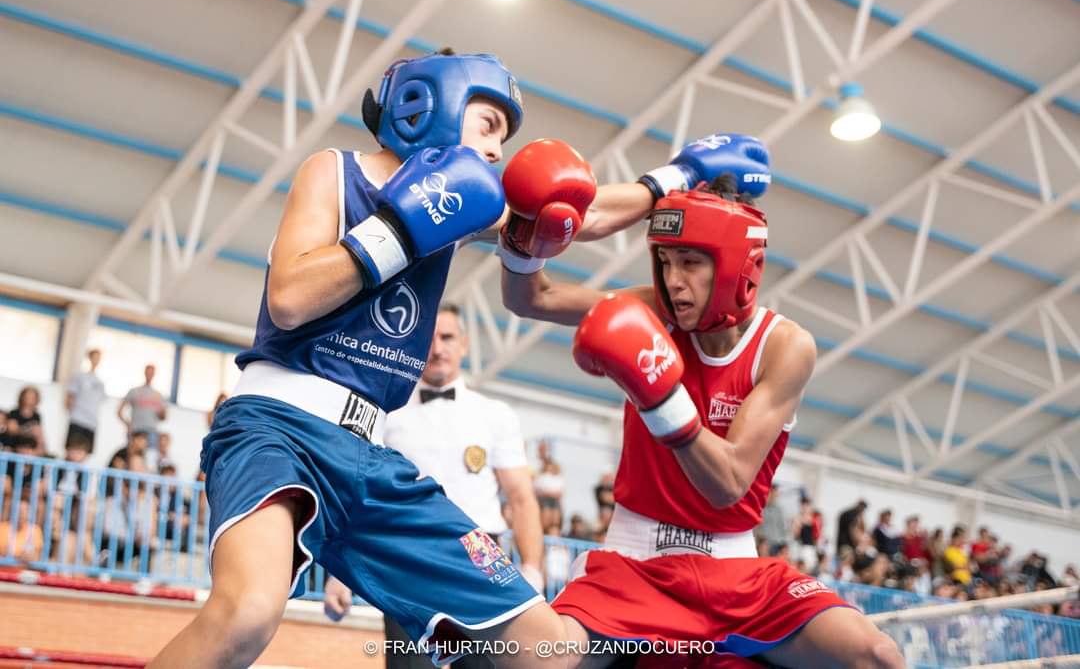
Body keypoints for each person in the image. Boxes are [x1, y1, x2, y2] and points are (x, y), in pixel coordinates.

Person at [147, 49, 742, 668]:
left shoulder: (468, 209)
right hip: (277, 426)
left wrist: (676, 176)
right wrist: (401, 229)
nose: (495, 152)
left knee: (548, 651)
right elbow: (292, 298)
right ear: (426, 104)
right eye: (488, 126)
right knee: (247, 613)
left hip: (372, 458)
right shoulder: (335, 171)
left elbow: (577, 215)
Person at [502, 174, 903, 667]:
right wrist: (522, 235)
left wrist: (658, 396)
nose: (673, 279)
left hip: (734, 575)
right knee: (537, 659)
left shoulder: (784, 346)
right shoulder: (654, 311)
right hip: (635, 564)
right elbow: (531, 298)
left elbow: (728, 482)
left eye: (690, 262)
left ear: (738, 264)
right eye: (666, 261)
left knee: (877, 655)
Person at [323, 303, 546, 666]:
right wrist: (340, 575)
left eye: (447, 337)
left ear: (465, 344)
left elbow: (522, 498)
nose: (438, 348)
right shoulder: (384, 415)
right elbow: (355, 494)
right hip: (407, 555)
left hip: (482, 553)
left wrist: (533, 569)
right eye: (429, 338)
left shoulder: (495, 415)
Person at [118, 365, 167, 462]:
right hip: (136, 430)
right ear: (144, 372)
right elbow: (119, 411)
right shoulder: (134, 391)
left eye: (152, 372)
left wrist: (161, 408)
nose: (150, 374)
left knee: (150, 460)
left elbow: (163, 417)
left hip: (151, 431)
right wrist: (128, 424)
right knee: (131, 458)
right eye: (148, 371)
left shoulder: (159, 395)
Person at [65, 348, 107, 453]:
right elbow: (70, 397)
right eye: (95, 357)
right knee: (72, 449)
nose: (96, 360)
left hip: (92, 422)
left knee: (86, 452)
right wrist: (72, 412)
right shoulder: (79, 376)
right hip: (78, 419)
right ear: (90, 358)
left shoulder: (101, 383)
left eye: (99, 358)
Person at [4, 385, 44, 455]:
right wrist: (29, 431)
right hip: (13, 448)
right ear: (22, 397)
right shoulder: (14, 413)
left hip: (29, 450)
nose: (29, 399)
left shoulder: (37, 416)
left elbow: (39, 435)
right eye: (27, 396)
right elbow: (12, 430)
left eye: (32, 397)